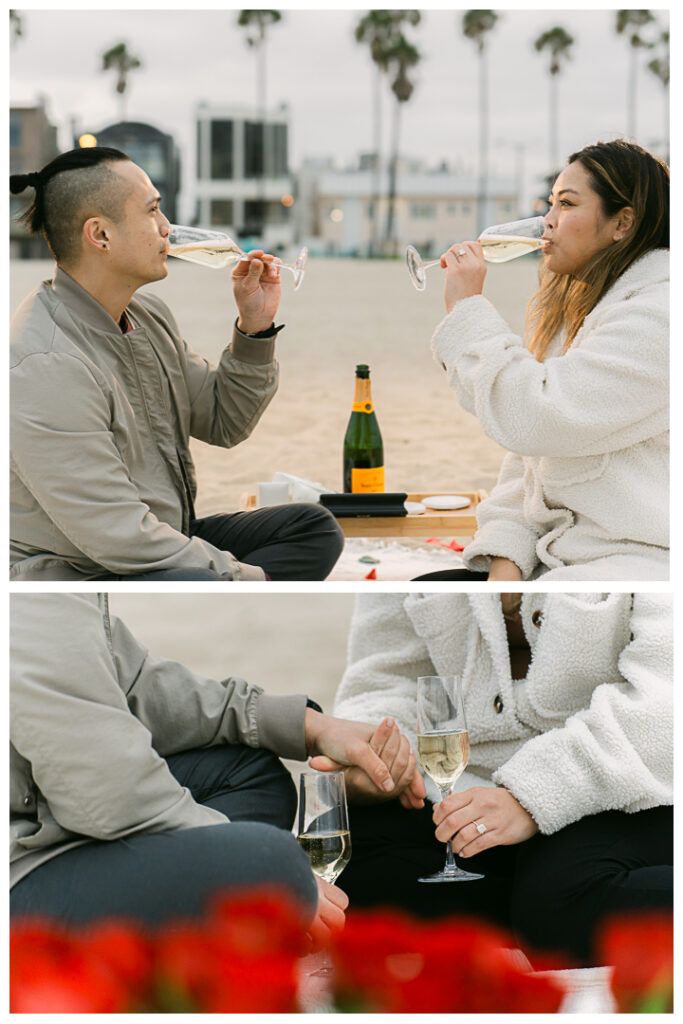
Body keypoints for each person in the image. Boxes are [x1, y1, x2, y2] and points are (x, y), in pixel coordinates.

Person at [9, 148, 343, 581]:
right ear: (100, 235)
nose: (167, 228)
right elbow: (117, 536)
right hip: (83, 565)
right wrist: (244, 578)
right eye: (152, 212)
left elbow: (225, 421)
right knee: (208, 579)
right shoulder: (45, 363)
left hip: (161, 534)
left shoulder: (147, 316)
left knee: (311, 528)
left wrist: (254, 327)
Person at [10, 592, 420, 937]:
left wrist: (309, 727)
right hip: (17, 863)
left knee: (252, 773)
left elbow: (133, 683)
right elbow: (106, 789)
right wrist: (260, 868)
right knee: (270, 863)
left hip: (49, 807)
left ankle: (155, 895)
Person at [328, 591, 673, 965]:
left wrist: (531, 795)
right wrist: (382, 760)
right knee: (338, 864)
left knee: (557, 902)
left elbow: (664, 702)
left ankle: (547, 901)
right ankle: (537, 901)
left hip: (627, 780)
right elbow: (385, 680)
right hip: (466, 790)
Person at [417, 139, 669, 582]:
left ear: (623, 223)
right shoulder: (583, 311)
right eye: (549, 203)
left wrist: (468, 310)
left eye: (566, 204)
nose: (546, 222)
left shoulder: (659, 316)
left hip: (629, 562)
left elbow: (536, 417)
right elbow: (528, 464)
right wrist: (505, 561)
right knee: (415, 602)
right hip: (556, 557)